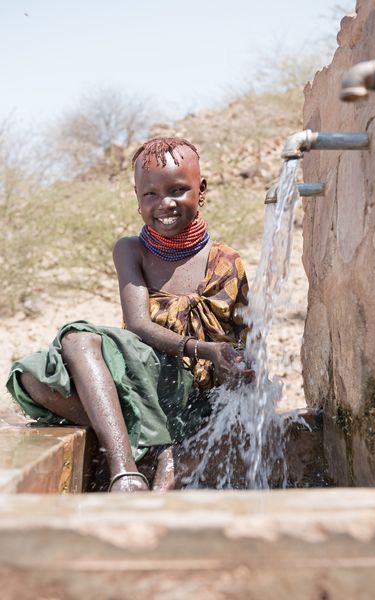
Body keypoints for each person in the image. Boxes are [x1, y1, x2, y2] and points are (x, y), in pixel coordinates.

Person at [6, 137, 252, 492]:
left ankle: (138, 455)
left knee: (77, 340)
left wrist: (233, 364)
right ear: (137, 199)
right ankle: (134, 465)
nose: (164, 203)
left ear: (202, 190)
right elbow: (137, 324)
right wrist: (206, 348)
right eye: (150, 194)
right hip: (141, 374)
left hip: (192, 397)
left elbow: (247, 345)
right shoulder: (130, 250)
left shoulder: (227, 261)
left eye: (179, 189)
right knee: (36, 373)